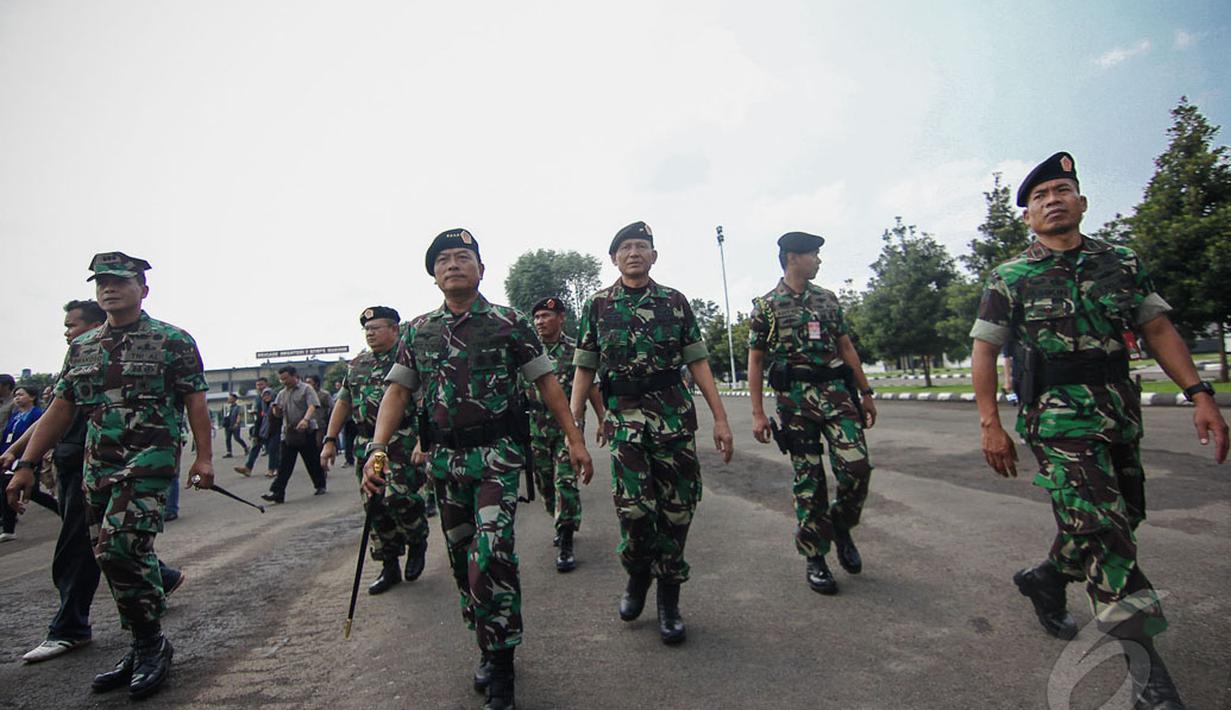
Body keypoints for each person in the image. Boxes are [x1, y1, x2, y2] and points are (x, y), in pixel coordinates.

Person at [970, 152, 1229, 709]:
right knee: (1106, 534)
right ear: (1028, 217)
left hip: (1117, 410)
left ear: (1082, 202)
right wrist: (991, 424)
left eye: (1062, 190)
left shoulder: (1122, 262)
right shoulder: (1010, 277)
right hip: (1056, 419)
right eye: (1040, 197)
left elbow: (1157, 329)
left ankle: (1045, 577)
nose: (1052, 201)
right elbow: (984, 350)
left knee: (1120, 518)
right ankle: (1148, 678)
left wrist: (1199, 394)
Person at [366, 228, 592, 710]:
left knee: (492, 554)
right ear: (434, 276)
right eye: (443, 260)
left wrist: (575, 439)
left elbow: (548, 383)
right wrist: (377, 449)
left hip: (497, 458)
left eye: (463, 257)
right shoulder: (418, 331)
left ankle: (503, 664)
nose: (453, 264)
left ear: (481, 270)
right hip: (445, 464)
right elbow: (398, 392)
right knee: (462, 561)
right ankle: (487, 642)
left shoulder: (509, 323)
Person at [7, 254, 211, 699]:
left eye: (119, 281)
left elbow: (195, 400)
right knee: (108, 555)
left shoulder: (173, 340)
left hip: (150, 461)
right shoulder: (82, 348)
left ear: (143, 289)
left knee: (123, 548)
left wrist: (204, 458)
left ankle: (151, 643)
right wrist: (26, 464)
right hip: (97, 466)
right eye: (102, 282)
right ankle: (141, 642)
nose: (109, 289)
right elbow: (61, 408)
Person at [570, 220, 733, 646]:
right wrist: (575, 428)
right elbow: (585, 367)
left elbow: (698, 361)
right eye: (626, 247)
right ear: (614, 259)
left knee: (678, 511)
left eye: (641, 246)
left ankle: (669, 598)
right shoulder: (598, 306)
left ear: (654, 256)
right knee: (635, 512)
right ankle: (638, 573)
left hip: (673, 422)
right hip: (625, 424)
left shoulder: (674, 302)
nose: (634, 253)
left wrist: (720, 418)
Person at [747, 232, 878, 595]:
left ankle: (840, 524)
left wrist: (866, 392)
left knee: (857, 468)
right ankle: (815, 555)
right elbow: (756, 360)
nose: (818, 260)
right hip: (795, 401)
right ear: (793, 258)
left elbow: (846, 347)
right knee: (809, 479)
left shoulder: (828, 299)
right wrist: (757, 413)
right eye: (813, 255)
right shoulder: (766, 307)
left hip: (837, 394)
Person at [322, 306, 430, 594]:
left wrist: (424, 440)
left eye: (376, 328)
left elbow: (424, 403)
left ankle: (417, 538)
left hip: (402, 440)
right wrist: (330, 440)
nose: (369, 333)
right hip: (366, 444)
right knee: (375, 505)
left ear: (394, 329)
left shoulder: (408, 360)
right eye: (366, 329)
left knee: (400, 497)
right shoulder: (357, 364)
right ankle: (389, 565)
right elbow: (343, 402)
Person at [522, 296, 605, 572]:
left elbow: (591, 387)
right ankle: (558, 517)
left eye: (546, 316)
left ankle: (566, 536)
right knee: (545, 484)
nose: (540, 322)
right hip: (535, 428)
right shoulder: (527, 351)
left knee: (566, 482)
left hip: (568, 428)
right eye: (537, 317)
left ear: (561, 318)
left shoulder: (575, 351)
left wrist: (602, 418)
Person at [262, 366, 327, 503]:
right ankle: (277, 492)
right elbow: (277, 414)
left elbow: (312, 406)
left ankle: (320, 484)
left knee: (312, 461)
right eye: (281, 379)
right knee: (284, 464)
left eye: (286, 378)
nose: (284, 381)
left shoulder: (306, 389)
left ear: (294, 376)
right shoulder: (282, 394)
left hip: (306, 431)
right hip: (289, 433)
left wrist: (305, 420)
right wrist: (276, 410)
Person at [1, 385, 57, 541]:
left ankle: (60, 509)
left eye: (21, 395)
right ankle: (8, 528)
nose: (17, 398)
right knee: (7, 488)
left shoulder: (37, 414)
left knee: (31, 491)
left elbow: (39, 435)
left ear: (32, 397)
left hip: (28, 457)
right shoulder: (15, 416)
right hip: (12, 457)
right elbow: (7, 436)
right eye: (15, 396)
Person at [235, 377, 276, 476]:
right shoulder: (258, 397)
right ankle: (248, 468)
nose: (259, 387)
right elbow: (259, 415)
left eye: (261, 384)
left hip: (273, 426)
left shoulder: (273, 395)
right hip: (262, 426)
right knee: (255, 446)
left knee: (272, 448)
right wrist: (255, 432)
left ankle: (273, 469)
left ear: (267, 384)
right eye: (257, 385)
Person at [305, 374, 333, 451]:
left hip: (320, 424)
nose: (307, 384)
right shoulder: (305, 395)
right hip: (308, 425)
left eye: (309, 382)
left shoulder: (324, 395)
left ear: (316, 383)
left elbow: (332, 407)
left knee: (318, 445)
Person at [222, 393, 249, 459]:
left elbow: (239, 415)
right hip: (228, 426)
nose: (228, 399)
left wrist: (237, 423)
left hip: (235, 425)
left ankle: (246, 447)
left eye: (230, 398)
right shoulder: (229, 407)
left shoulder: (237, 407)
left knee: (237, 438)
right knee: (227, 439)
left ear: (234, 399)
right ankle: (229, 452)